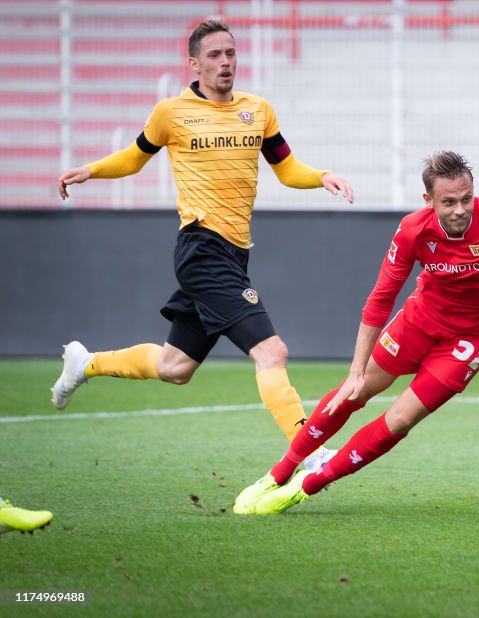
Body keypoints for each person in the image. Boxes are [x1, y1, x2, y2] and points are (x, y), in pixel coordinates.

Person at [233, 150, 479, 515]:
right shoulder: (413, 230)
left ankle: (305, 487)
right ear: (429, 201)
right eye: (449, 202)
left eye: (467, 199)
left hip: (472, 341)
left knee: (400, 419)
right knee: (352, 394)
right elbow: (380, 299)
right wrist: (355, 372)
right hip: (420, 321)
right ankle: (278, 474)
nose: (460, 209)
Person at [52, 20, 352, 465]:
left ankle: (85, 363)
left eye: (230, 53)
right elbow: (135, 158)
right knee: (272, 351)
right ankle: (307, 451)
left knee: (176, 367)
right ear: (194, 63)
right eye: (214, 55)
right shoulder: (171, 112)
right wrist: (91, 170)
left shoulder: (258, 110)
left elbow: (286, 169)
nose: (226, 62)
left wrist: (321, 176)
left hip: (235, 252)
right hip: (201, 248)